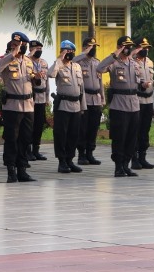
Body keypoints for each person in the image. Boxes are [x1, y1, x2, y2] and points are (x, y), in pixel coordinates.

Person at [0, 32, 37, 183]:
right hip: (12, 106)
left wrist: (37, 78)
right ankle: (11, 170)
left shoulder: (28, 61)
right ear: (12, 45)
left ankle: (22, 169)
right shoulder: (4, 59)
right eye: (17, 45)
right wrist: (13, 53)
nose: (20, 47)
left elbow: (32, 79)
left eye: (23, 45)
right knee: (12, 139)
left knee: (25, 139)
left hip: (28, 106)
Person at [97, 36, 142, 177]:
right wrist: (114, 54)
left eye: (130, 46)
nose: (128, 49)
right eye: (125, 46)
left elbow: (138, 80)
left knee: (131, 137)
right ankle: (118, 166)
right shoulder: (113, 63)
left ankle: (126, 165)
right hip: (119, 105)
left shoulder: (134, 64)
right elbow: (99, 68)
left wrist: (144, 84)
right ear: (120, 47)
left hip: (134, 104)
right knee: (119, 137)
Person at [48, 40, 84, 174]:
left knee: (73, 135)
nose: (69, 54)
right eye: (66, 51)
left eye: (71, 51)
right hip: (63, 105)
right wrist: (59, 59)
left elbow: (82, 89)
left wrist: (82, 106)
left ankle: (70, 160)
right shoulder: (58, 65)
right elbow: (50, 74)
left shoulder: (77, 67)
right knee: (61, 134)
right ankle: (61, 161)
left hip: (76, 105)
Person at [73, 37, 104, 166]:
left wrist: (103, 97)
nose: (93, 49)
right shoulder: (78, 62)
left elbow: (100, 81)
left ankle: (90, 153)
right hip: (84, 99)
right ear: (85, 47)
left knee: (93, 128)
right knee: (83, 128)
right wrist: (84, 53)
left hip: (96, 98)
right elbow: (71, 61)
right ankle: (81, 154)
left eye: (95, 47)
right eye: (91, 46)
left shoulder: (97, 63)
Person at [132, 38, 154, 170]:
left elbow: (148, 79)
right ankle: (134, 158)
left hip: (148, 100)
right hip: (137, 99)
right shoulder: (131, 61)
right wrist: (141, 84)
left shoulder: (149, 62)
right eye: (143, 47)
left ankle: (143, 157)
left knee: (145, 129)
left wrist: (153, 83)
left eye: (147, 47)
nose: (146, 50)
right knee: (135, 129)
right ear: (137, 48)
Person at [27, 40, 49, 161]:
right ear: (30, 49)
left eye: (40, 49)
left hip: (41, 97)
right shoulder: (27, 61)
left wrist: (47, 97)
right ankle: (28, 150)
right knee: (30, 124)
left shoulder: (44, 63)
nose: (39, 51)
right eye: (36, 49)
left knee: (39, 124)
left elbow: (47, 81)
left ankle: (36, 149)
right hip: (31, 97)